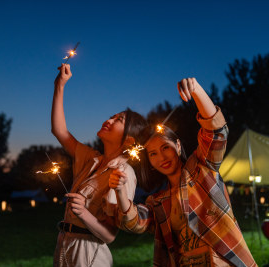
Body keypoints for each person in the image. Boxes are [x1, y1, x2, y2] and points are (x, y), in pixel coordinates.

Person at [109, 77, 257, 267]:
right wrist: (120, 191)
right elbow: (135, 222)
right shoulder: (158, 203)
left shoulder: (202, 170)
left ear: (178, 146)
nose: (161, 157)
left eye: (165, 148)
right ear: (150, 162)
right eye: (153, 154)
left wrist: (196, 89)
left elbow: (216, 132)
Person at [51, 63, 147, 266]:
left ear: (129, 140)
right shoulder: (90, 158)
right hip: (64, 245)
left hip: (88, 253)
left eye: (118, 120)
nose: (109, 120)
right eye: (112, 116)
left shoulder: (123, 173)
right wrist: (60, 86)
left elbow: (110, 236)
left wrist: (84, 212)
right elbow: (60, 131)